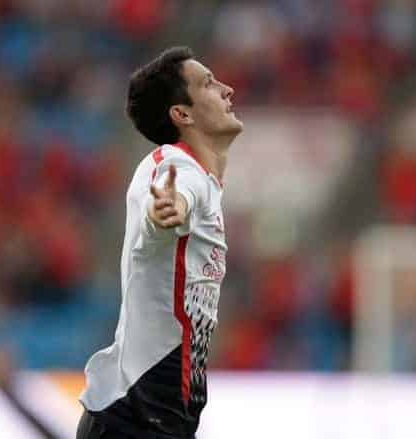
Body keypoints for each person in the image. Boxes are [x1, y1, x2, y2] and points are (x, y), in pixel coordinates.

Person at [76, 46, 243, 439]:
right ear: (181, 114)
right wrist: (167, 210)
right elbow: (166, 205)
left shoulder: (204, 182)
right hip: (131, 421)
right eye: (208, 83)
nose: (227, 89)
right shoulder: (174, 166)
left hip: (161, 422)